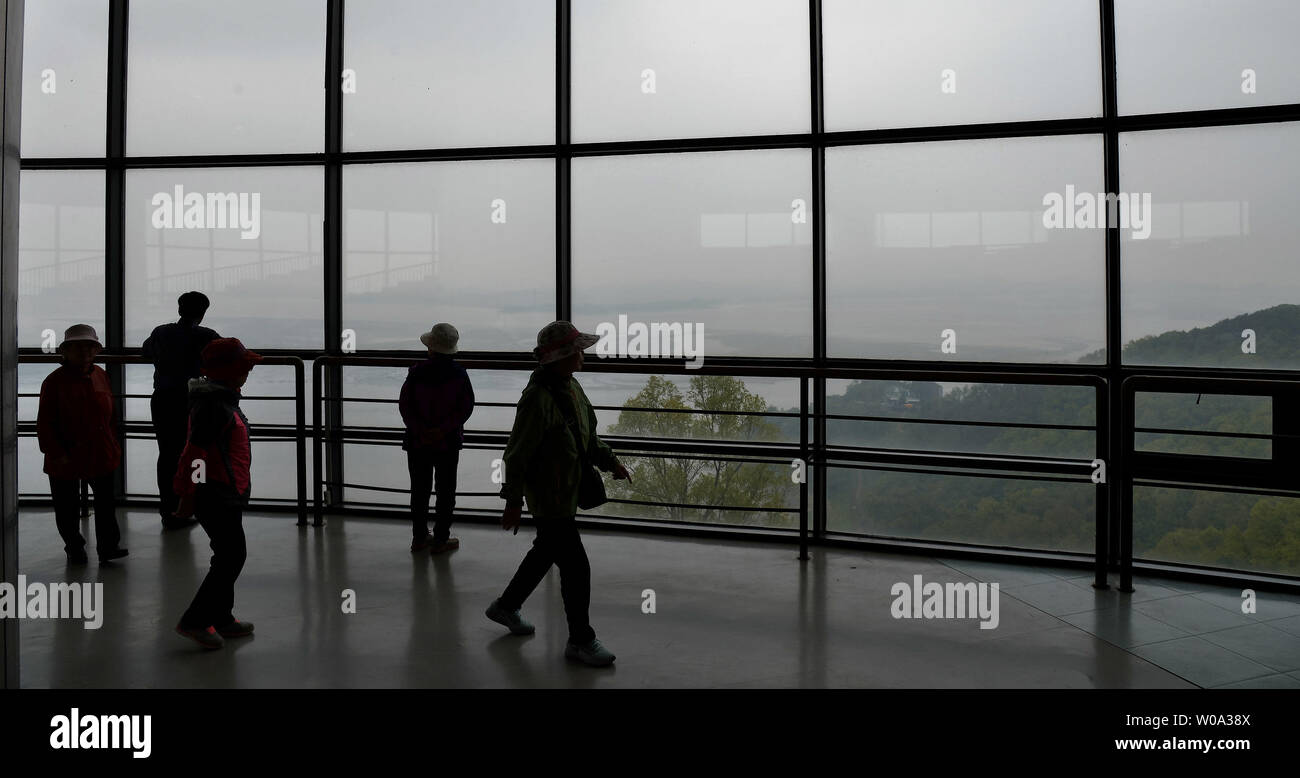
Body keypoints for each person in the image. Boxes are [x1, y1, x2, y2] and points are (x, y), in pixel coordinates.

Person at [485, 321, 631, 667]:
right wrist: (512, 502)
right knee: (576, 567)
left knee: (546, 550)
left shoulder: (573, 388)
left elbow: (587, 438)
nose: (583, 356)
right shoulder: (536, 400)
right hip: (549, 498)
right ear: (561, 357)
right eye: (577, 350)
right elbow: (516, 454)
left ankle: (506, 607)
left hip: (564, 493)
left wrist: (611, 462)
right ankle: (581, 639)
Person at [172, 338, 262, 649]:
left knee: (227, 554)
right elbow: (195, 455)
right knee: (231, 555)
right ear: (226, 371)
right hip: (216, 494)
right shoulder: (214, 406)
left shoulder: (222, 399)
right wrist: (188, 495)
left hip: (225, 490)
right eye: (243, 367)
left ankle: (222, 617)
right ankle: (195, 620)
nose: (248, 372)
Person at [37, 324, 128, 564]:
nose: (85, 352)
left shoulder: (100, 375)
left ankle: (107, 547)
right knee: (67, 508)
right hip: (67, 454)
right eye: (78, 347)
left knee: (105, 504)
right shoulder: (54, 382)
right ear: (64, 352)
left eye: (89, 347)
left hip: (100, 451)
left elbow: (111, 416)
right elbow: (45, 423)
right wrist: (58, 453)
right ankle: (75, 547)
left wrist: (113, 444)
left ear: (96, 350)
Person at [142, 291, 220, 528]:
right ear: (203, 313)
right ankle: (193, 505)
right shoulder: (207, 336)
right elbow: (227, 355)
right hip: (193, 401)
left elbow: (145, 352)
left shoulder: (161, 332)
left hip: (163, 399)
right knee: (196, 454)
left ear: (179, 310)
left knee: (167, 454)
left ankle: (169, 509)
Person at [399, 322, 474, 554]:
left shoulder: (416, 373)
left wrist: (422, 430)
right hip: (448, 442)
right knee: (445, 491)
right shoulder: (460, 375)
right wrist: (443, 430)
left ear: (430, 348)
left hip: (418, 441)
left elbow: (405, 407)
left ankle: (419, 538)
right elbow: (465, 408)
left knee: (419, 491)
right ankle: (441, 539)